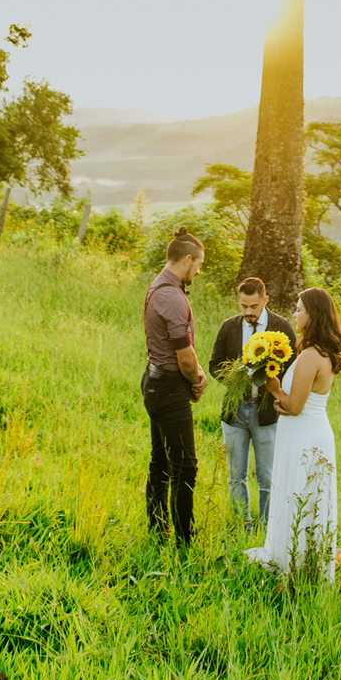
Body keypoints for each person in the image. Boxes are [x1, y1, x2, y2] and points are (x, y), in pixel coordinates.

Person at [245, 287, 341, 583]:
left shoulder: (311, 356)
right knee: (306, 496)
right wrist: (282, 402)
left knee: (297, 493)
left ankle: (292, 561)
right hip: (313, 432)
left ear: (313, 315)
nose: (295, 314)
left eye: (299, 309)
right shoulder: (322, 353)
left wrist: (275, 389)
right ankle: (305, 557)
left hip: (305, 436)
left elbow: (295, 405)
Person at [208, 277, 297, 530]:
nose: (248, 312)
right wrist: (234, 377)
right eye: (243, 306)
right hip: (234, 412)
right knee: (236, 476)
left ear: (265, 301)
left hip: (268, 413)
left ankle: (267, 527)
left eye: (254, 306)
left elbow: (294, 368)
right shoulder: (229, 327)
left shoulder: (282, 328)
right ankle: (241, 525)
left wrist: (276, 385)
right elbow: (214, 364)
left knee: (267, 476)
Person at [141, 228, 206, 546]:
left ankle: (157, 530)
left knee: (161, 460)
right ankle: (184, 540)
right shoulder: (171, 296)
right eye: (198, 265)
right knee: (185, 467)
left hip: (156, 381)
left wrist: (195, 371)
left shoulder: (161, 286)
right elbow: (184, 357)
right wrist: (197, 380)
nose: (198, 271)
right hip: (168, 387)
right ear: (187, 259)